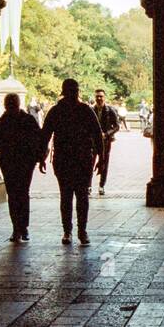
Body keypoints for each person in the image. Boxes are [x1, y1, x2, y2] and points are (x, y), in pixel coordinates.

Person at [39, 77, 103, 245]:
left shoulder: (55, 111)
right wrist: (101, 158)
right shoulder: (85, 110)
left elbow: (45, 136)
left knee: (66, 196)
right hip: (81, 159)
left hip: (64, 159)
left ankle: (69, 231)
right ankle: (81, 231)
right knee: (81, 196)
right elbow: (97, 135)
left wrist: (41, 157)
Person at [0, 92, 43, 242]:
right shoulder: (28, 120)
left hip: (9, 162)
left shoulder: (0, 122)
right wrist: (38, 157)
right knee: (22, 194)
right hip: (25, 162)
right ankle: (23, 228)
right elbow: (38, 139)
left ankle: (17, 228)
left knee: (13, 195)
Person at [92, 88, 121, 196]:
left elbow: (117, 126)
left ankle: (101, 185)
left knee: (104, 163)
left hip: (105, 141)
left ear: (104, 97)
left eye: (101, 96)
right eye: (97, 96)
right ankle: (88, 185)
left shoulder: (110, 110)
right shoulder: (91, 110)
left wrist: (107, 134)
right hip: (93, 142)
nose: (99, 98)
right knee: (90, 163)